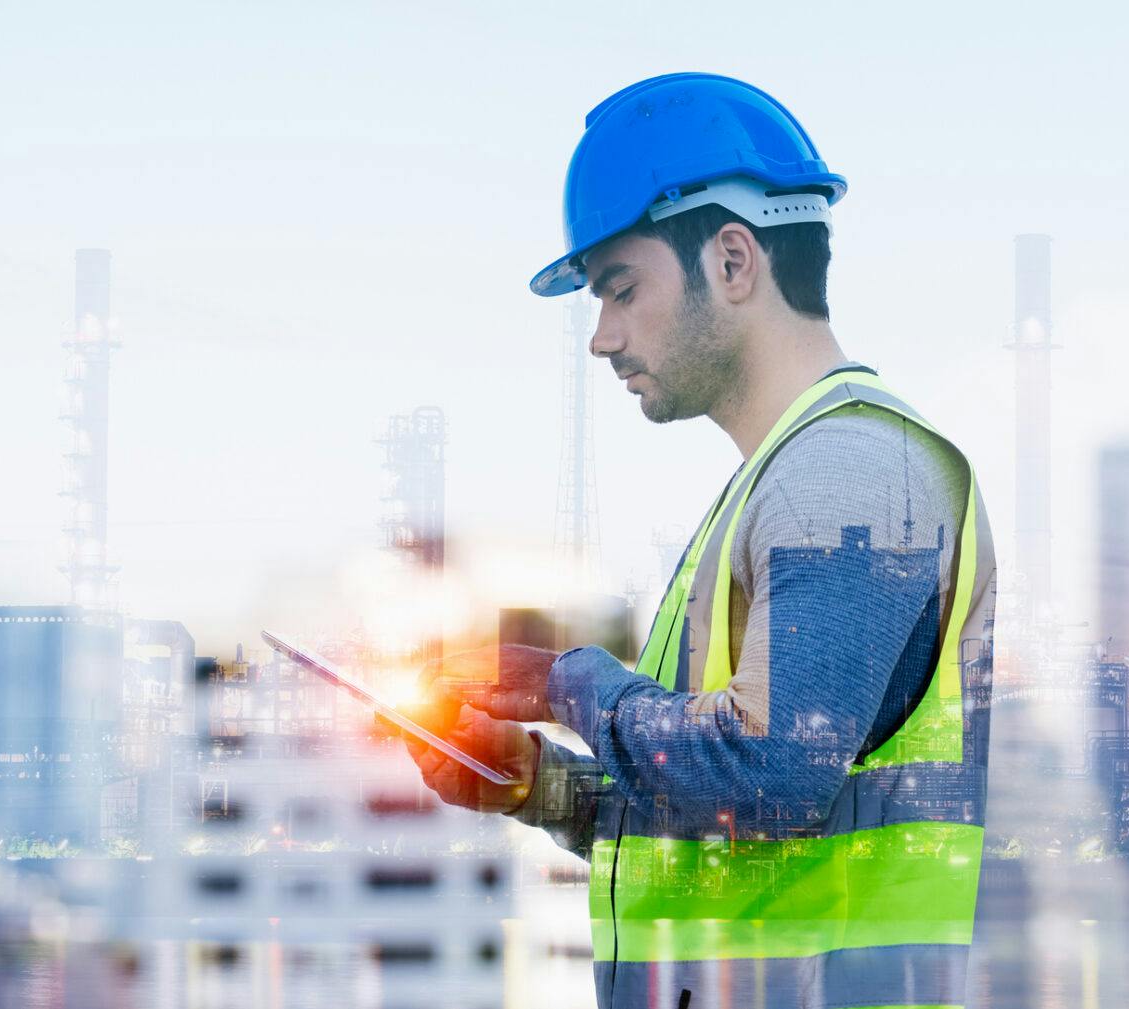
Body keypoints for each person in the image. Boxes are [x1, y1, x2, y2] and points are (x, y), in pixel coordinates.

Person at [404, 72, 999, 1009]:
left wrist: (567, 681)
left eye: (620, 288)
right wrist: (531, 785)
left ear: (732, 261)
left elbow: (765, 773)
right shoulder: (777, 484)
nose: (601, 337)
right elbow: (717, 827)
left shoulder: (850, 473)